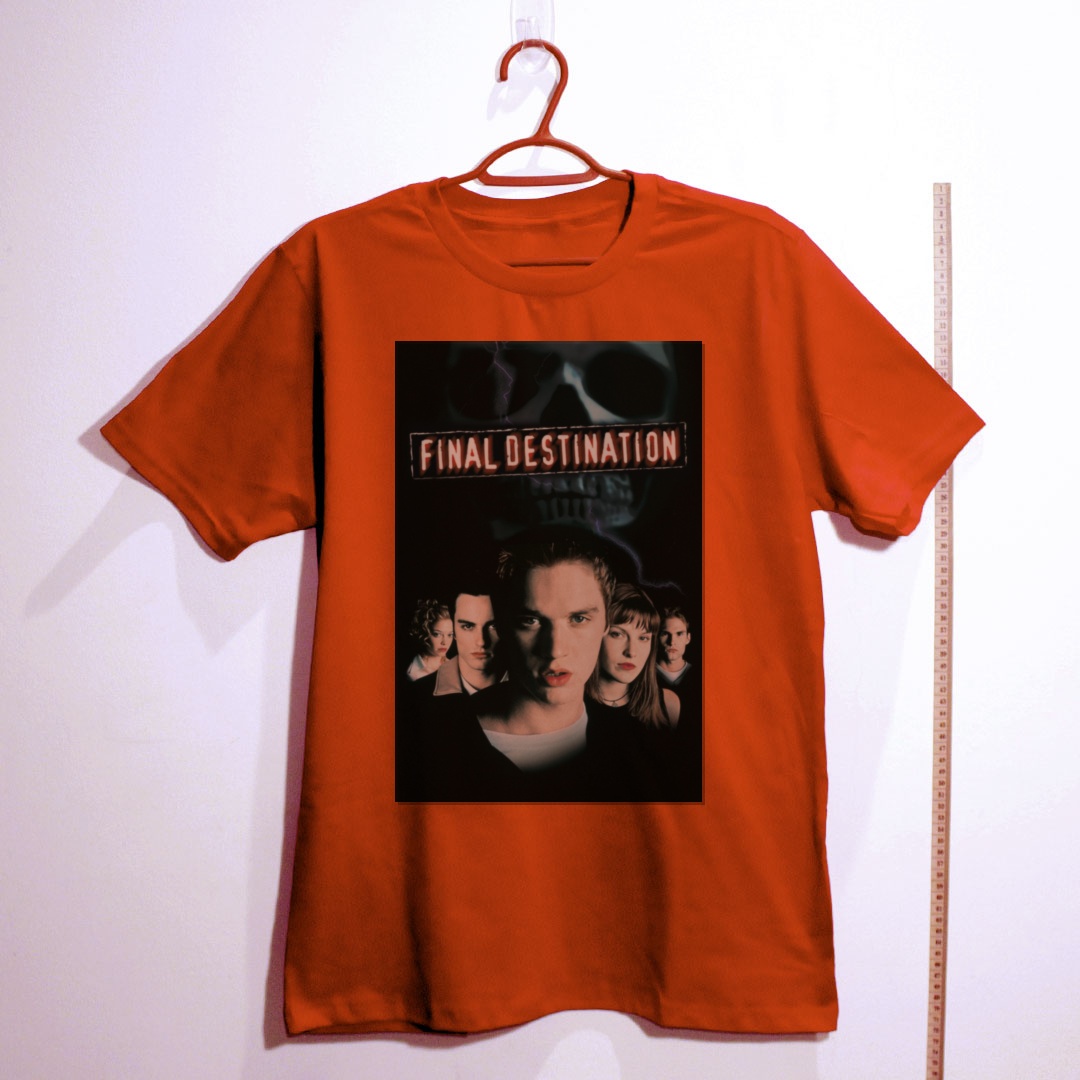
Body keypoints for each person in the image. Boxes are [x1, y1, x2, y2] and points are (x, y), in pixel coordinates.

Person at [399, 526, 664, 800]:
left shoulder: (635, 746)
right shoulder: (427, 742)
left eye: (578, 619)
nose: (555, 650)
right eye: (531, 620)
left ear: (606, 623)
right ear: (503, 624)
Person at [587, 584, 680, 727]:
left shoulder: (669, 705)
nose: (631, 652)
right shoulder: (563, 706)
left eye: (643, 638)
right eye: (617, 634)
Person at [415, 588, 500, 696]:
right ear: (454, 630)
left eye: (493, 626)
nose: (481, 642)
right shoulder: (418, 692)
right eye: (467, 626)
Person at [404, 599, 453, 682]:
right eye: (437, 634)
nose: (445, 642)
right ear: (425, 634)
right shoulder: (415, 674)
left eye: (450, 635)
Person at [657, 606, 693, 687]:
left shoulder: (700, 674)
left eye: (679, 634)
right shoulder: (643, 674)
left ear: (688, 638)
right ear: (656, 637)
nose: (672, 642)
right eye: (665, 634)